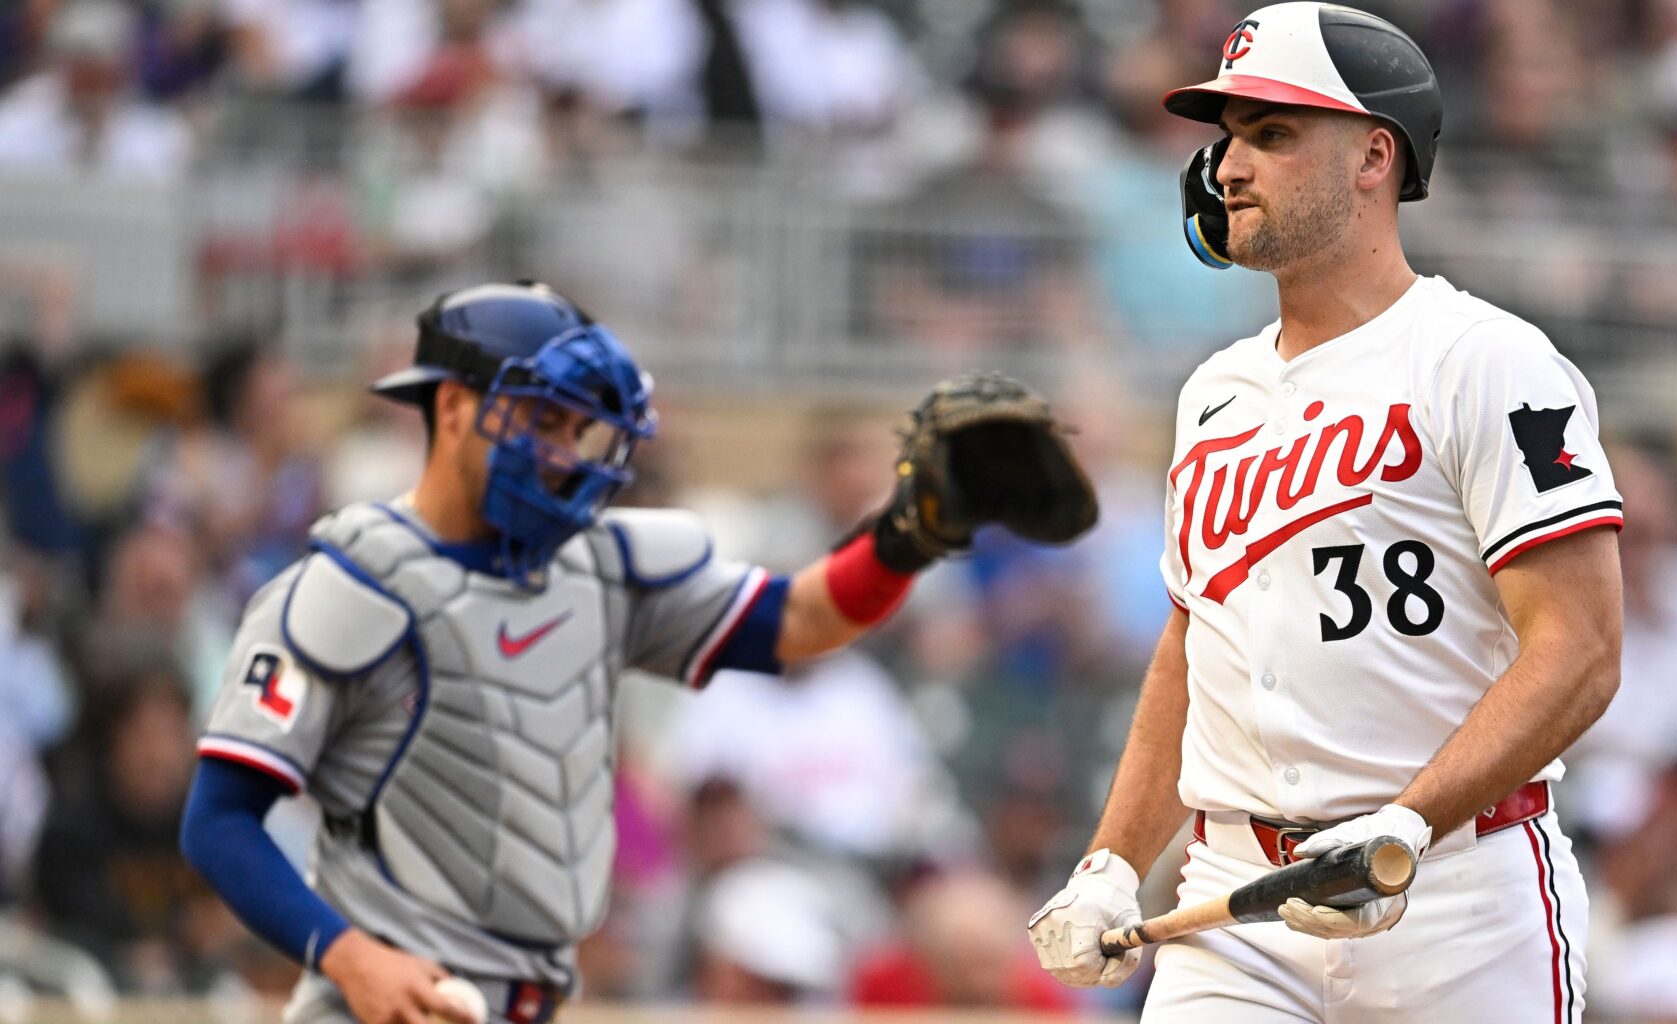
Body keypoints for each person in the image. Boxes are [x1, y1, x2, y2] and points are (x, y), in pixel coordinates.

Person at [179, 281, 1093, 1024]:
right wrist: (347, 956)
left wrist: (910, 531)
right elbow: (219, 821)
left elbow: (802, 620)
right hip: (379, 1006)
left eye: (572, 428)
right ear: (453, 407)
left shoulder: (598, 567)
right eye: (539, 420)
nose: (562, 452)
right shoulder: (346, 585)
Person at [1025, 5, 1625, 1021]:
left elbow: (1582, 648)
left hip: (1455, 898)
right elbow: (1193, 644)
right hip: (1236, 903)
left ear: (1374, 157)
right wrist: (1113, 863)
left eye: (1272, 133)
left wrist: (1408, 821)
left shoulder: (1485, 359)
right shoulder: (1213, 391)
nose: (1229, 167)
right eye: (1229, 137)